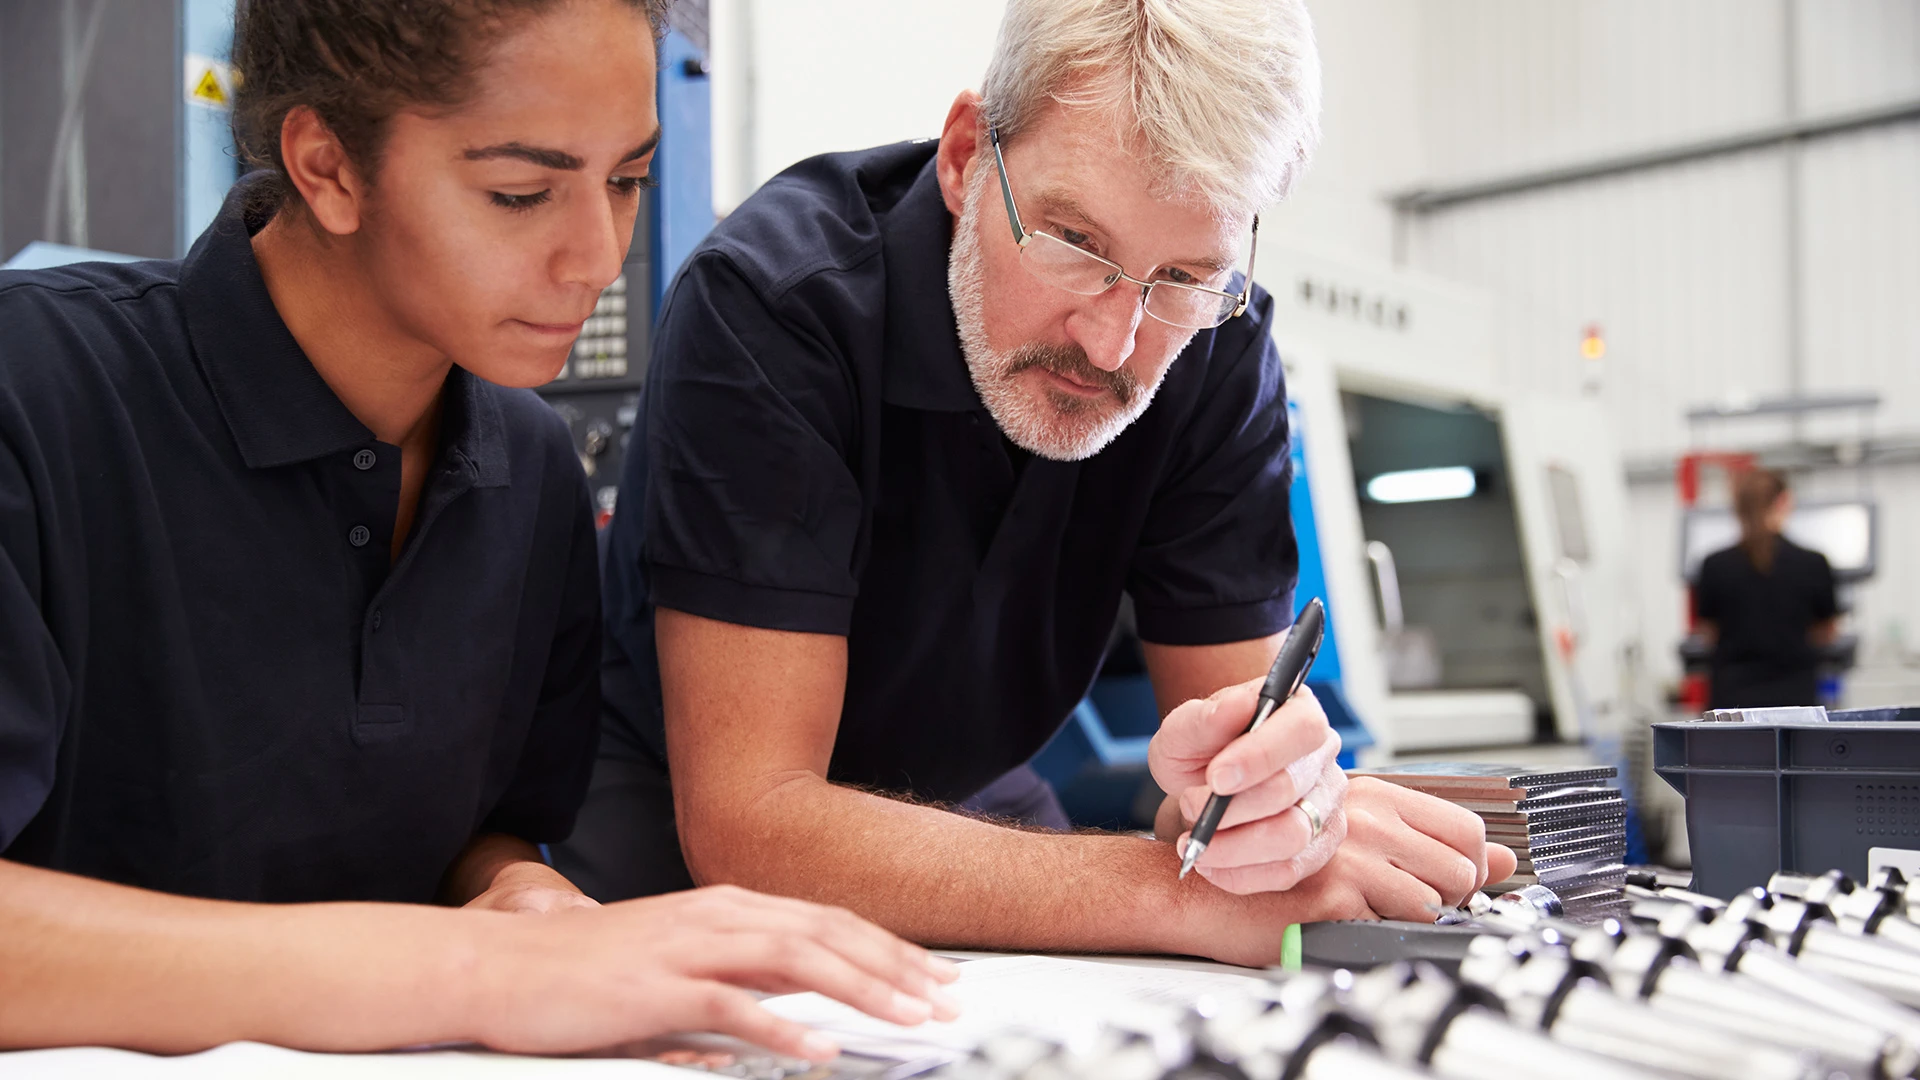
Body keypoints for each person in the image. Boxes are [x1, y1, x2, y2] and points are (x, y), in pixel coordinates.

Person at [0, 0, 954, 1058]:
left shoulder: (528, 465)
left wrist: (520, 895)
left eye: (627, 180)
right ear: (326, 166)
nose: (596, 256)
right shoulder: (35, 397)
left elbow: (478, 833)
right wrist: (474, 973)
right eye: (520, 193)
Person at [563, 0, 1516, 965]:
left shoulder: (1215, 349)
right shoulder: (775, 309)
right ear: (966, 154)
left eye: (1184, 275)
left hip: (970, 794)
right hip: (681, 809)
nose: (1115, 343)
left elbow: (1233, 779)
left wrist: (1283, 807)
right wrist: (1173, 897)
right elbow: (753, 823)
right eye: (1075, 241)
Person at [1696, 469, 1841, 710]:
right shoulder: (1813, 563)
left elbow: (1708, 634)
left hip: (1732, 703)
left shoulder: (1715, 565)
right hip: (1795, 701)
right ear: (1783, 502)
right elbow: (1827, 632)